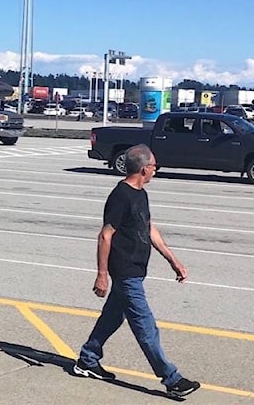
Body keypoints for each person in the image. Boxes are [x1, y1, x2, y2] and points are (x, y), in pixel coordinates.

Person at [71, 144, 201, 398]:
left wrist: (173, 260)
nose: (155, 170)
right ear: (144, 169)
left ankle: (87, 359)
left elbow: (149, 228)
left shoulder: (140, 193)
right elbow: (105, 236)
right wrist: (102, 274)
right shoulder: (121, 196)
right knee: (146, 326)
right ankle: (171, 379)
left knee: (112, 318)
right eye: (154, 166)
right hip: (125, 271)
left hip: (136, 269)